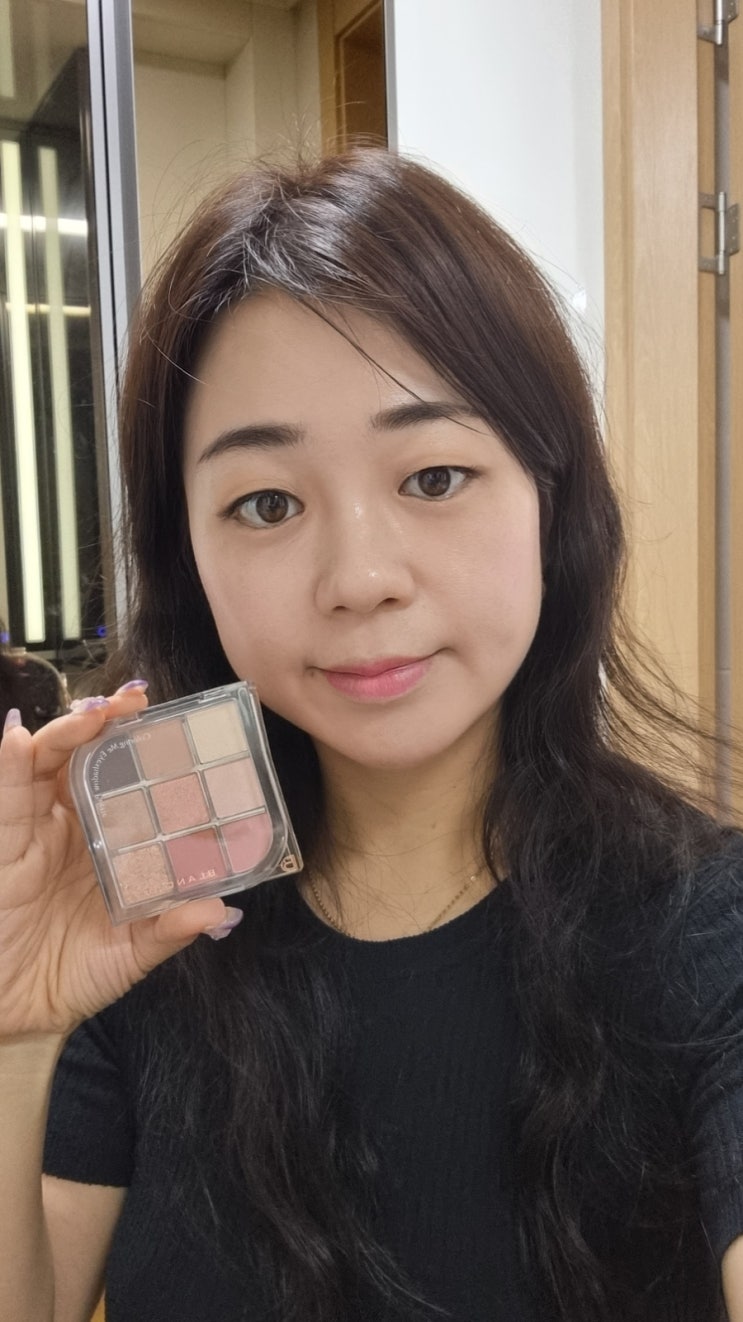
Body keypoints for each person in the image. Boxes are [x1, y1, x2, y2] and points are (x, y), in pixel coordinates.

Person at [1, 148, 742, 1322]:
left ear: (550, 499)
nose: (358, 576)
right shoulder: (140, 923)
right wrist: (13, 1038)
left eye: (433, 476)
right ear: (187, 556)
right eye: (266, 502)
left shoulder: (706, 927)